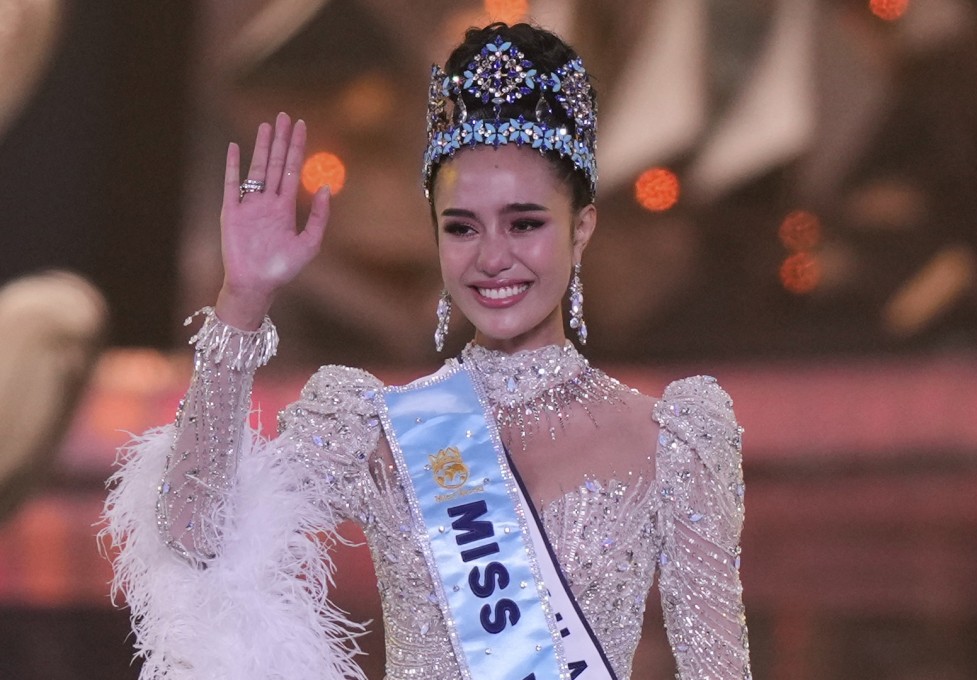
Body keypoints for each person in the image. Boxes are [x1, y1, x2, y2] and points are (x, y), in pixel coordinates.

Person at [103, 22, 751, 680]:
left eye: (525, 223)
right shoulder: (376, 425)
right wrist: (243, 300)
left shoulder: (669, 438)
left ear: (581, 228)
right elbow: (194, 537)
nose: (493, 257)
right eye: (463, 227)